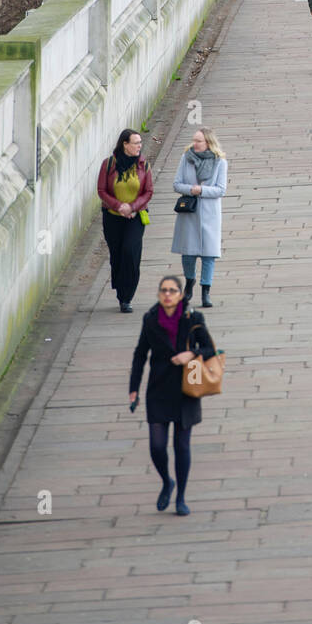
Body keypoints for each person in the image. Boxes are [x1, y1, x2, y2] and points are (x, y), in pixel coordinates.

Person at [128, 275, 215, 517]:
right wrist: (133, 388)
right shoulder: (151, 319)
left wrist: (191, 354)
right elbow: (140, 354)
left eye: (173, 291)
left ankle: (181, 497)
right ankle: (167, 480)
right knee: (157, 446)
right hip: (158, 388)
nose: (168, 294)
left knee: (181, 445)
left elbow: (210, 349)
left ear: (180, 295)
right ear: (159, 294)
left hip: (187, 388)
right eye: (164, 291)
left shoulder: (193, 318)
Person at [97, 129, 154, 312]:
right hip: (113, 218)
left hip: (135, 217)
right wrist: (118, 206)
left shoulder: (144, 165)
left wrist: (132, 207)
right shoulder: (108, 164)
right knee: (117, 255)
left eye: (140, 143)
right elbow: (101, 191)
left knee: (130, 252)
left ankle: (126, 297)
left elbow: (148, 191)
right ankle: (120, 289)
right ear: (125, 144)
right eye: (135, 143)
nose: (139, 146)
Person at [172, 126, 229, 307]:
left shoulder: (220, 162)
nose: (195, 144)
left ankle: (206, 291)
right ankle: (189, 283)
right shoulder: (186, 158)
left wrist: (202, 190)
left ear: (208, 143)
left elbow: (221, 189)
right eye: (194, 140)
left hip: (210, 213)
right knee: (188, 253)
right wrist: (190, 189)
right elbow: (177, 184)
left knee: (209, 254)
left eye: (199, 141)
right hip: (190, 212)